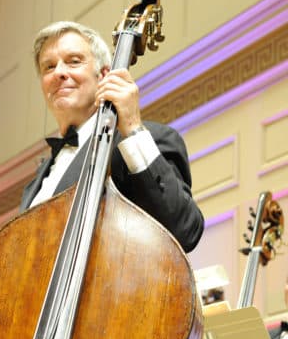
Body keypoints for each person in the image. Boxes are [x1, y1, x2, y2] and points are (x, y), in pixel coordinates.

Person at [20, 21, 204, 253]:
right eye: (49, 67)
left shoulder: (145, 140)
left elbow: (184, 230)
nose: (59, 73)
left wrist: (133, 129)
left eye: (74, 61)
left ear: (104, 76)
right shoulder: (37, 181)